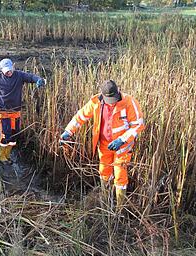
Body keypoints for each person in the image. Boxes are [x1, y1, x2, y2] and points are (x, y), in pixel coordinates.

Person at [60, 80, 145, 208]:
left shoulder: (129, 102)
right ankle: (106, 200)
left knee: (120, 174)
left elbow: (138, 125)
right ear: (103, 96)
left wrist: (122, 139)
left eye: (114, 99)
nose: (112, 102)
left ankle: (119, 208)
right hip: (104, 145)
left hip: (122, 147)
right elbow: (80, 116)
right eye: (109, 100)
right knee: (104, 171)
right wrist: (68, 131)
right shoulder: (96, 102)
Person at [0, 58, 46, 163]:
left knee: (14, 135)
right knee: (5, 135)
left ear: (12, 67)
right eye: (6, 71)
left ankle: (7, 155)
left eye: (10, 69)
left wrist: (38, 80)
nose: (9, 72)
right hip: (3, 112)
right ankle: (2, 157)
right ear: (1, 70)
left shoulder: (19, 75)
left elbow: (31, 77)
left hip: (16, 111)